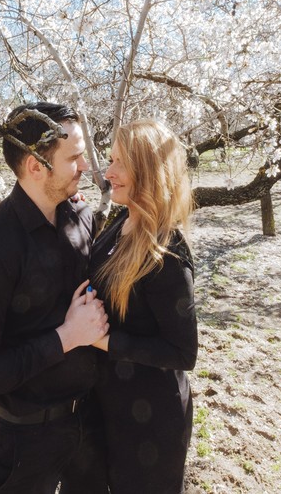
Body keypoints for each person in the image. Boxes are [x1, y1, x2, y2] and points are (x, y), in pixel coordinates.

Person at [0, 101, 110, 494]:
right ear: (36, 166)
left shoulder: (81, 216)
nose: (85, 167)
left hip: (90, 425)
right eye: (74, 158)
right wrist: (66, 337)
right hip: (24, 443)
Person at [90, 119, 198, 494]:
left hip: (150, 422)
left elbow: (183, 352)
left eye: (119, 162)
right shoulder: (121, 221)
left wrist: (106, 342)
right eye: (110, 160)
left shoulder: (166, 254)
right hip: (112, 404)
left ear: (147, 170)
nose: (108, 173)